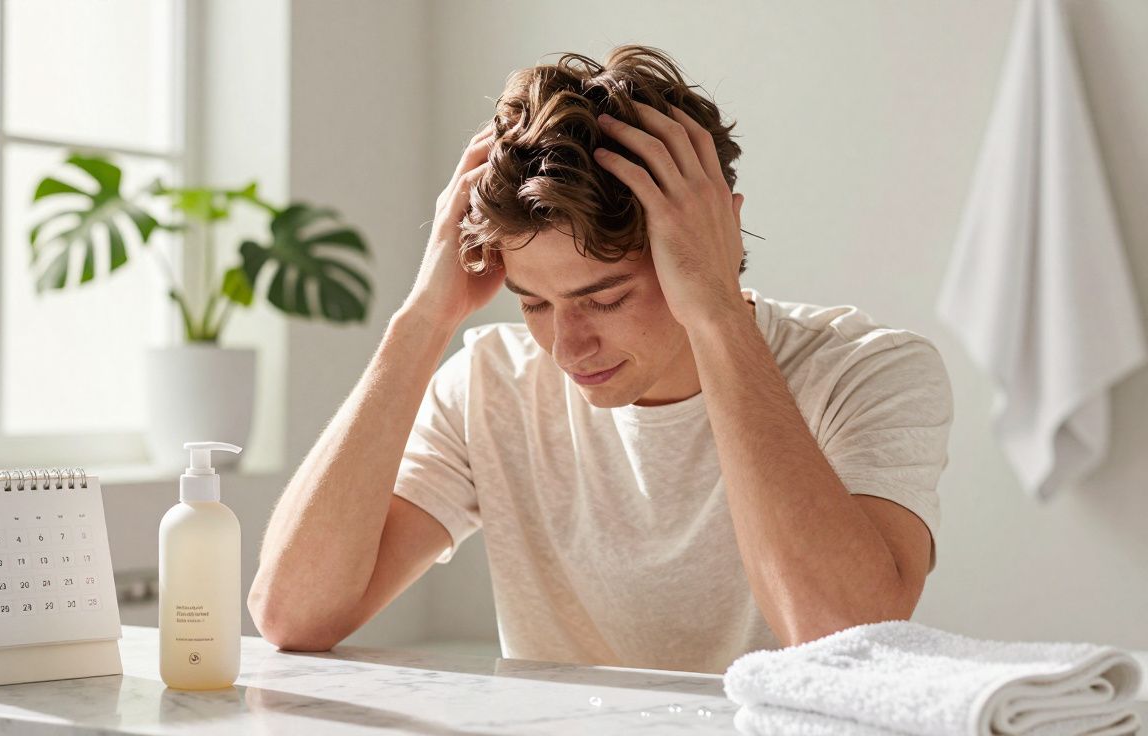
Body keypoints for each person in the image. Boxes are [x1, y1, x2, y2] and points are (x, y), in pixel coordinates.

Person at [247, 44, 953, 674]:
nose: (567, 346)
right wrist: (424, 318)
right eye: (533, 304)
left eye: (606, 299)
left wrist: (713, 310)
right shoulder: (491, 385)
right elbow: (293, 615)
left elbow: (848, 640)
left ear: (716, 237)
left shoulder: (868, 375)